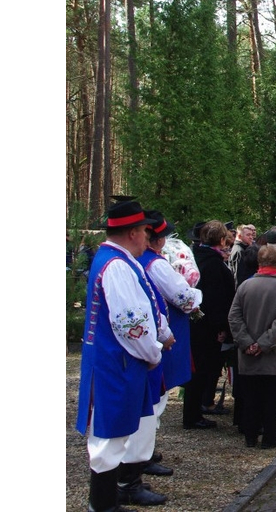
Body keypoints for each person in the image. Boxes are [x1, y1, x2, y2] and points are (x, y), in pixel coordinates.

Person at [76, 201, 168, 512]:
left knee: (114, 434)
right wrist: (153, 353)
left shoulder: (114, 260)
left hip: (113, 360)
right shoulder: (116, 266)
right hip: (117, 363)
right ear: (132, 233)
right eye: (144, 231)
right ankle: (103, 505)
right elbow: (131, 323)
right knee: (109, 436)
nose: (147, 237)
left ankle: (108, 500)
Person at [136, 211, 202, 481]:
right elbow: (185, 297)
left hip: (152, 331)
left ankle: (143, 451)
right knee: (157, 395)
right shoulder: (157, 265)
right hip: (163, 333)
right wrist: (197, 294)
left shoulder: (138, 261)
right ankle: (142, 454)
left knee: (152, 394)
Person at [229, 245, 276, 449]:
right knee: (273, 397)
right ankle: (269, 437)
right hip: (275, 352)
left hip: (248, 354)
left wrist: (247, 342)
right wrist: (264, 343)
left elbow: (234, 317)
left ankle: (250, 436)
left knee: (251, 396)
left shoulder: (245, 286)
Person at [184, 220, 235, 430]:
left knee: (201, 370)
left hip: (199, 322)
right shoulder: (213, 263)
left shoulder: (200, 257)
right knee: (202, 371)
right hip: (206, 326)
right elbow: (216, 299)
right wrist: (221, 327)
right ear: (222, 240)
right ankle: (193, 414)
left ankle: (196, 410)